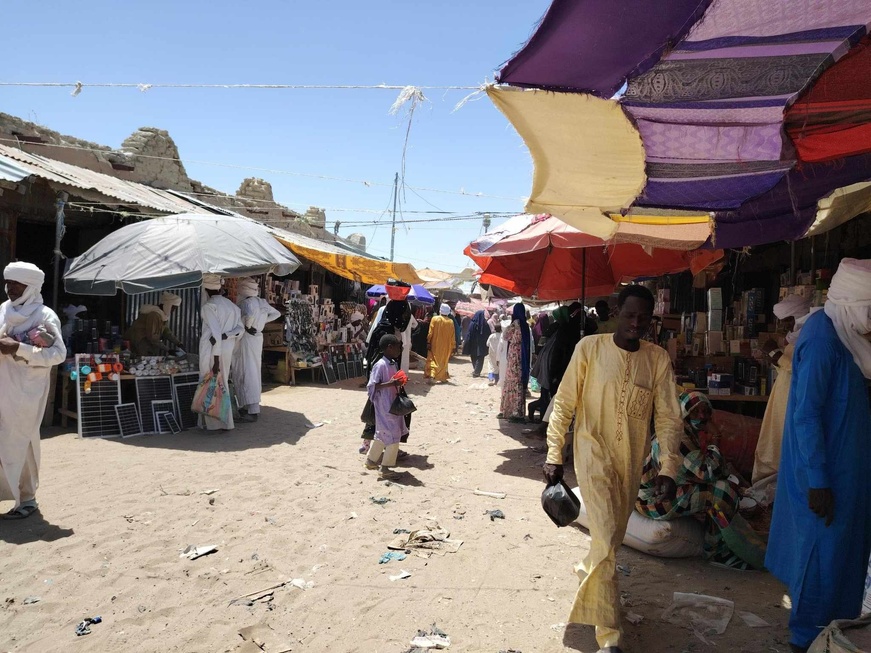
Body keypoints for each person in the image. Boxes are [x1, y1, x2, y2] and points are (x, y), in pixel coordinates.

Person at [542, 285, 683, 653]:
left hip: (631, 462)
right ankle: (609, 636)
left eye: (643, 318)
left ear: (651, 320)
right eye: (630, 315)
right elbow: (564, 402)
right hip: (592, 454)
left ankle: (586, 571)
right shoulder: (589, 348)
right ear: (617, 313)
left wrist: (668, 466)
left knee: (609, 542)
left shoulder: (657, 359)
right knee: (605, 538)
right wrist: (554, 453)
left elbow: (669, 416)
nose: (636, 323)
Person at [765, 258, 871, 652]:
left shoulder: (844, 334)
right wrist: (819, 481)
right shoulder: (824, 340)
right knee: (820, 559)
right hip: (826, 474)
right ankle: (805, 640)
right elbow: (807, 415)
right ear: (854, 304)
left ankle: (833, 634)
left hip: (847, 469)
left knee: (843, 556)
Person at [637, 391, 759, 569]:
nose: (702, 416)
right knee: (721, 492)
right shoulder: (678, 438)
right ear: (684, 413)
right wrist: (716, 438)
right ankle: (718, 553)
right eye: (695, 411)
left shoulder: (687, 432)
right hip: (655, 500)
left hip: (665, 493)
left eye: (705, 411)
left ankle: (721, 544)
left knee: (720, 488)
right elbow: (707, 472)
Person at [0, 262, 67, 519]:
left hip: (26, 391)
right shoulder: (4, 310)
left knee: (23, 441)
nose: (10, 289)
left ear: (31, 287)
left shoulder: (44, 315)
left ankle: (27, 498)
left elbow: (58, 354)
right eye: (8, 283)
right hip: (3, 383)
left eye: (16, 284)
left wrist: (20, 349)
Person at [753, 294, 812, 484]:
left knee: (783, 446)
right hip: (781, 397)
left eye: (787, 320)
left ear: (797, 316)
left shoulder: (810, 338)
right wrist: (774, 357)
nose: (784, 326)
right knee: (771, 442)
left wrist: (776, 354)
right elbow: (785, 367)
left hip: (793, 399)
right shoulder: (795, 337)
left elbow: (803, 370)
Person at [231, 277, 281, 423]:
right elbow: (276, 314)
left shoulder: (247, 303)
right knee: (252, 370)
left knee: (246, 371)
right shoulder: (261, 302)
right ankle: (248, 406)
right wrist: (261, 323)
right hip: (257, 337)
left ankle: (252, 409)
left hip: (247, 338)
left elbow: (250, 316)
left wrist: (249, 326)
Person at [199, 275, 243, 431]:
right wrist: (228, 335)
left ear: (206, 289)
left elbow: (216, 333)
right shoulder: (232, 306)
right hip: (227, 348)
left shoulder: (209, 306)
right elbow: (240, 329)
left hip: (213, 350)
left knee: (209, 383)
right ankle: (225, 422)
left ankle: (214, 423)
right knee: (221, 383)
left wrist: (216, 359)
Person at [528, 303, 583, 422]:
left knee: (547, 392)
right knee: (549, 393)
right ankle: (544, 420)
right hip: (551, 361)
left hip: (548, 360)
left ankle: (543, 417)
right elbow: (558, 349)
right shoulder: (562, 328)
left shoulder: (558, 327)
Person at [364, 334, 408, 480]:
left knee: (383, 433)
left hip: (393, 403)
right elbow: (373, 385)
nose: (399, 350)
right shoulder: (380, 365)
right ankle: (385, 468)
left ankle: (371, 460)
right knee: (393, 434)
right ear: (390, 347)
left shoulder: (392, 363)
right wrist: (392, 383)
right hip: (384, 405)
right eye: (397, 347)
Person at [125, 292, 185, 357]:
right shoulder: (154, 315)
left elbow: (166, 331)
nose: (173, 311)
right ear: (168, 305)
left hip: (147, 343)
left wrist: (178, 343)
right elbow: (152, 337)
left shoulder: (162, 315)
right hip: (140, 341)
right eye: (173, 308)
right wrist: (168, 350)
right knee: (142, 360)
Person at [498, 303, 530, 422]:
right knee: (519, 383)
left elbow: (505, 336)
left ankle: (510, 410)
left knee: (511, 382)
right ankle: (518, 411)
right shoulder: (525, 325)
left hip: (514, 356)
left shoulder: (515, 324)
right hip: (523, 356)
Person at [425, 304, 455, 383]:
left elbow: (430, 332)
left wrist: (428, 341)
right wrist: (453, 346)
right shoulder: (450, 322)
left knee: (433, 359)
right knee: (443, 361)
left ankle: (432, 375)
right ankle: (442, 377)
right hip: (446, 346)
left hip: (435, 344)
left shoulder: (435, 319)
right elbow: (452, 335)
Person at [463, 310, 491, 378]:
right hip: (482, 344)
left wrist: (467, 342)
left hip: (473, 343)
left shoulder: (472, 324)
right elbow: (488, 334)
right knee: (480, 357)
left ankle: (476, 370)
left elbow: (469, 334)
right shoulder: (485, 324)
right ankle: (477, 371)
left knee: (473, 356)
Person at [486, 321, 502, 385]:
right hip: (499, 353)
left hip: (492, 352)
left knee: (491, 365)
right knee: (498, 366)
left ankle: (491, 378)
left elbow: (487, 344)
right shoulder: (501, 336)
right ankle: (497, 380)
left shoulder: (491, 336)